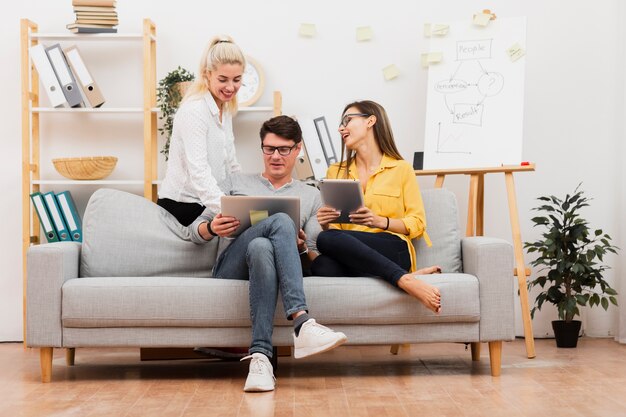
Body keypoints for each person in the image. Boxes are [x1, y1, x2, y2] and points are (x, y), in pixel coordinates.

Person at [191, 115, 347, 392]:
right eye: (269, 148)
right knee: (281, 221)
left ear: (297, 150)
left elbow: (310, 248)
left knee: (261, 246)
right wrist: (212, 227)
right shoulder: (234, 182)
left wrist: (299, 245)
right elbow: (194, 231)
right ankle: (301, 322)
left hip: (267, 264)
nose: (275, 156)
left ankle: (261, 357)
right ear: (262, 148)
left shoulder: (311, 195)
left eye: (283, 149)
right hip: (231, 270)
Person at [311, 100, 442, 313]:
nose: (341, 128)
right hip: (354, 250)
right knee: (321, 264)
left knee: (325, 241)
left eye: (348, 120)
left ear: (370, 120)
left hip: (393, 246)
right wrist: (327, 224)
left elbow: (418, 223)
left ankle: (402, 278)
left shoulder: (401, 168)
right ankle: (402, 277)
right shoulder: (335, 171)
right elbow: (338, 235)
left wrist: (379, 221)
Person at [157, 35, 244, 225]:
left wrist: (244, 198)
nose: (231, 87)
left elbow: (232, 164)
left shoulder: (225, 108)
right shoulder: (195, 111)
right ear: (207, 74)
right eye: (223, 79)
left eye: (237, 79)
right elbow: (199, 172)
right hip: (182, 206)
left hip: (209, 203)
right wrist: (231, 211)